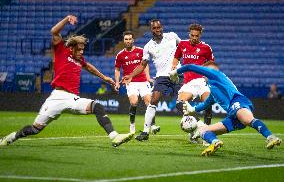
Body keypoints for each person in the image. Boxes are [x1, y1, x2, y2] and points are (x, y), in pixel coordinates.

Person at [0, 15, 133, 147]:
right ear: (72, 48)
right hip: (57, 97)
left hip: (72, 98)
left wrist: (104, 77)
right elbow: (54, 32)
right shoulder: (61, 50)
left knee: (97, 107)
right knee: (35, 129)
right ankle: (11, 137)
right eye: (79, 49)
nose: (81, 52)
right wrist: (67, 18)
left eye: (83, 49)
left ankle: (115, 137)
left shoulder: (80, 60)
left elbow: (89, 67)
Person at [169, 61, 282, 156]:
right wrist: (192, 110)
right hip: (232, 115)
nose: (204, 74)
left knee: (247, 120)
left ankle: (270, 137)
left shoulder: (216, 74)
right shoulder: (213, 88)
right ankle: (215, 142)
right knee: (203, 130)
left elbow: (189, 66)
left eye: (205, 71)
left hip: (237, 102)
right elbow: (206, 104)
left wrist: (175, 72)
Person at [122, 19, 181, 141]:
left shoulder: (172, 36)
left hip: (177, 74)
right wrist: (132, 75)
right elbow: (142, 65)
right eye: (154, 28)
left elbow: (183, 48)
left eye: (158, 27)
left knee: (182, 103)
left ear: (162, 27)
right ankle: (145, 132)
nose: (157, 30)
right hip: (161, 76)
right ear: (151, 30)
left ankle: (194, 132)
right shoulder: (148, 46)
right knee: (152, 101)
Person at [114, 31, 159, 134]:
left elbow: (145, 64)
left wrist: (147, 77)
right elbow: (117, 69)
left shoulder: (141, 51)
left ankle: (153, 125)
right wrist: (117, 82)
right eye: (126, 39)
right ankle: (132, 124)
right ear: (123, 40)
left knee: (149, 102)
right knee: (134, 102)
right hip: (131, 82)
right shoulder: (120, 55)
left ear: (133, 40)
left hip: (143, 81)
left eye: (130, 39)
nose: (128, 41)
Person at [172, 23, 214, 126]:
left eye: (197, 36)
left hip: (202, 81)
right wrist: (174, 67)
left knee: (208, 106)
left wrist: (208, 75)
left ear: (200, 35)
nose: (194, 38)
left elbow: (212, 63)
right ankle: (200, 126)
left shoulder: (206, 47)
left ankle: (207, 133)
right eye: (192, 35)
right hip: (189, 82)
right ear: (189, 34)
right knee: (179, 104)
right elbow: (176, 57)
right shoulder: (182, 44)